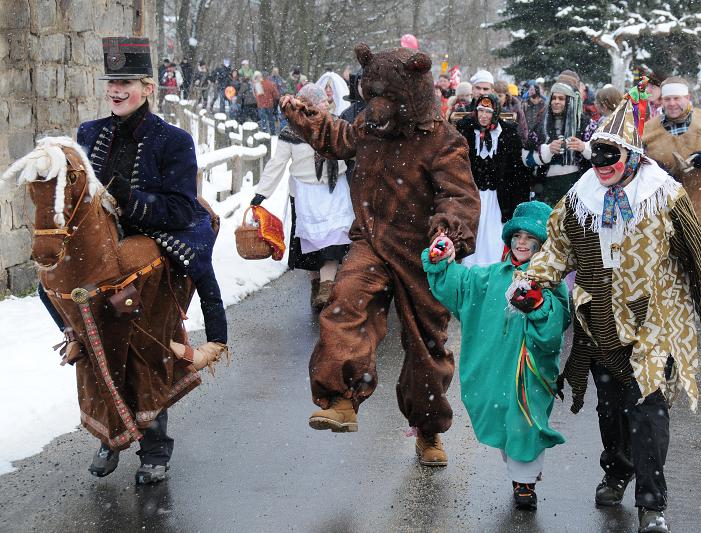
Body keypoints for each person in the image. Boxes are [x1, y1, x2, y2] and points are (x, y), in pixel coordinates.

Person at [516, 84, 701, 533]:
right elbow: (556, 250)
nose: (600, 165)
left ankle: (652, 503)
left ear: (631, 155)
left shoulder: (665, 196)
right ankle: (616, 470)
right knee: (612, 411)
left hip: (656, 322)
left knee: (649, 410)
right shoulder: (580, 198)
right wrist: (529, 282)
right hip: (600, 321)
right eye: (595, 155)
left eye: (608, 155)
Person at [280, 43, 480, 467]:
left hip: (423, 256)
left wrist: (447, 233)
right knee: (343, 303)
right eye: (372, 96)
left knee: (427, 350)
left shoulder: (443, 141)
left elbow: (459, 197)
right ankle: (342, 399)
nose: (377, 107)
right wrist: (302, 115)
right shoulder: (369, 128)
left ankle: (427, 432)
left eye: (387, 98)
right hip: (371, 240)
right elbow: (339, 138)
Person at [41, 37, 228, 485]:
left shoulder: (174, 141)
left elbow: (182, 210)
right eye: (111, 82)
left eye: (124, 82)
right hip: (100, 254)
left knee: (145, 348)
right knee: (75, 317)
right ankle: (111, 435)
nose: (115, 90)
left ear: (147, 87)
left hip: (154, 250)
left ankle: (155, 448)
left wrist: (129, 198)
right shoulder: (88, 134)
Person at [423, 201, 570, 510]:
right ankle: (521, 473)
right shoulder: (492, 276)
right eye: (516, 236)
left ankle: (525, 484)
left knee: (524, 421)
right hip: (495, 369)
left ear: (542, 243)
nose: (521, 243)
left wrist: (538, 305)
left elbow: (554, 330)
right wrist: (441, 261)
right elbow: (461, 287)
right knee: (501, 413)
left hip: (530, 372)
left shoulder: (551, 283)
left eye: (530, 238)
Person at [250, 84, 354, 311]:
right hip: (305, 193)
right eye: (320, 102)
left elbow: (349, 151)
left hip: (334, 191)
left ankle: (326, 286)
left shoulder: (335, 125)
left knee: (333, 242)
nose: (325, 105)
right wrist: (262, 193)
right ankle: (317, 284)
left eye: (325, 101)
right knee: (311, 245)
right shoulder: (292, 131)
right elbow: (277, 162)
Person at [642, 76, 701, 260]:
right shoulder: (649, 128)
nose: (672, 103)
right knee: (670, 268)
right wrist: (654, 169)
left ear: (687, 97)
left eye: (677, 98)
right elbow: (637, 162)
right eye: (667, 99)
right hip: (665, 212)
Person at [456, 94, 528, 267]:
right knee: (473, 235)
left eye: (488, 111)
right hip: (473, 196)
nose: (483, 115)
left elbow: (517, 170)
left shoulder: (507, 133)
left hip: (498, 198)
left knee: (494, 238)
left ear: (495, 112)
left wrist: (517, 202)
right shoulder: (465, 131)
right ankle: (469, 274)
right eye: (480, 110)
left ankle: (492, 273)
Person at [522, 80, 596, 206]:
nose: (556, 102)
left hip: (577, 186)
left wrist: (584, 148)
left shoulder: (585, 125)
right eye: (554, 98)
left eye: (561, 99)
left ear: (570, 101)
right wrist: (547, 150)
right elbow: (526, 159)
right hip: (546, 187)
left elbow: (600, 153)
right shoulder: (541, 126)